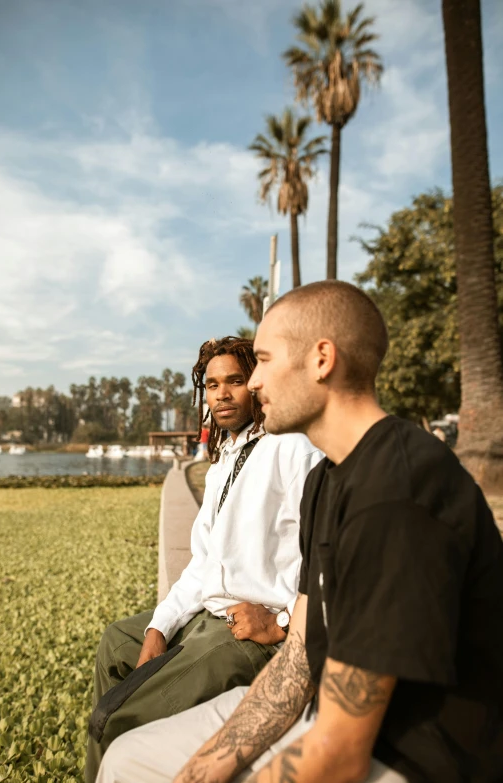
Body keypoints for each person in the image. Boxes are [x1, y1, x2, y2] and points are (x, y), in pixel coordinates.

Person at [97, 281, 503, 783]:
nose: (255, 383)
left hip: (413, 758)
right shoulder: (327, 482)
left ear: (321, 360)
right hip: (321, 717)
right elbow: (295, 665)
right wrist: (199, 771)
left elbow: (339, 752)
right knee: (126, 759)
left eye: (263, 361)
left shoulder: (399, 487)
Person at [85, 335, 322, 782]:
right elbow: (202, 564)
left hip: (244, 637)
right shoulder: (223, 464)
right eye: (212, 385)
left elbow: (329, 554)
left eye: (235, 380)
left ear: (255, 383)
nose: (223, 393)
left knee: (115, 719)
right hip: (205, 617)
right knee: (117, 643)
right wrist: (159, 626)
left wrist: (283, 623)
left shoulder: (293, 449)